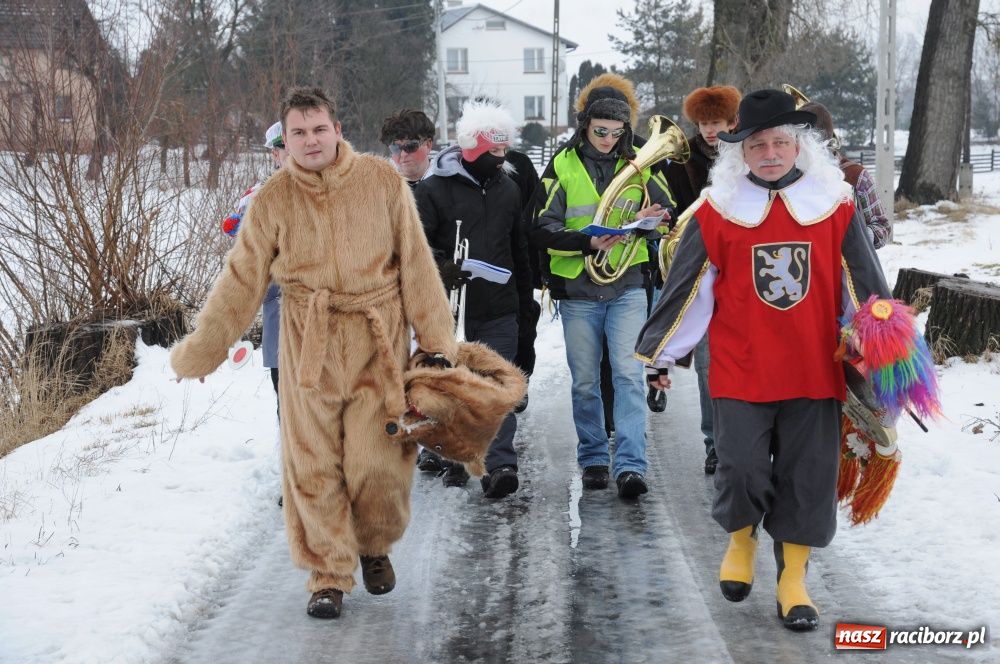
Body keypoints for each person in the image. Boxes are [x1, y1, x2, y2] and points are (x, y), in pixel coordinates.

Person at [170, 87, 459, 620]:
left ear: (337, 130)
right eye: (297, 133)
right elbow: (242, 279)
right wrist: (205, 348)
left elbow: (418, 266)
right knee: (313, 466)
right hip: (309, 349)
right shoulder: (274, 199)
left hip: (379, 344)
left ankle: (374, 547)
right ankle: (328, 575)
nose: (309, 141)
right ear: (285, 140)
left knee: (379, 463)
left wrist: (438, 344)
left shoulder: (382, 181)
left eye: (318, 129)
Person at [635, 89, 892, 631]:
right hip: (740, 367)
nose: (770, 153)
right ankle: (740, 542)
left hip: (813, 369)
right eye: (758, 144)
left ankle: (793, 580)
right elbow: (687, 290)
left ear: (798, 147)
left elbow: (864, 287)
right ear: (740, 152)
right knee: (741, 467)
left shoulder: (836, 206)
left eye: (780, 142)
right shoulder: (716, 211)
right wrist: (663, 353)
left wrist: (884, 350)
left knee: (808, 477)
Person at [534, 73, 674, 499]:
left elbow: (667, 217)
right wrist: (586, 241)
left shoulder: (641, 163)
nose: (609, 139)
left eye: (618, 132)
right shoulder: (561, 163)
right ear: (585, 125)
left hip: (628, 283)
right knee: (584, 381)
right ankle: (594, 457)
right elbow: (541, 225)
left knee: (629, 376)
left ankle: (631, 465)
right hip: (579, 289)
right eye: (601, 131)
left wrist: (655, 217)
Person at [414, 100, 533, 499]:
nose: (501, 160)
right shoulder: (433, 190)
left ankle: (499, 464)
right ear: (472, 150)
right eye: (494, 153)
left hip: (499, 304)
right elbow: (417, 248)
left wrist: (525, 303)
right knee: (452, 384)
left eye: (505, 152)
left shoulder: (510, 189)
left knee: (497, 384)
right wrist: (444, 267)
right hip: (448, 308)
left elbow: (519, 250)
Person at [662, 85, 741, 476]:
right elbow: (674, 211)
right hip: (700, 271)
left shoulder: (748, 154)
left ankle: (741, 439)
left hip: (742, 274)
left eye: (717, 122)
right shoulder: (682, 161)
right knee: (708, 366)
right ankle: (714, 442)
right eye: (704, 123)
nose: (710, 130)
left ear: (732, 122)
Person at [799, 101, 891, 249]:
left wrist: (858, 235)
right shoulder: (790, 176)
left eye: (802, 139)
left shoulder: (856, 175)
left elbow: (882, 227)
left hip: (847, 266)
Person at [379, 108, 435, 187]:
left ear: (428, 145)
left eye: (410, 146)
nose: (403, 154)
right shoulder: (383, 188)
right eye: (395, 148)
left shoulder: (448, 185)